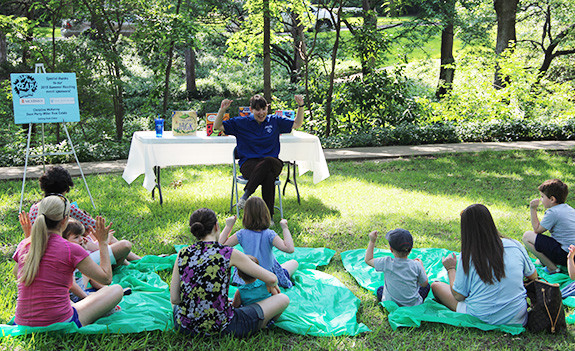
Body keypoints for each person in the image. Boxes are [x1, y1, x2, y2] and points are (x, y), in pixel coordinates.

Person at [170, 208, 289, 337]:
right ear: (216, 226)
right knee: (283, 299)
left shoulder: (182, 253)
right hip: (223, 326)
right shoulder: (227, 253)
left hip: (184, 327)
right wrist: (272, 284)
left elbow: (175, 299)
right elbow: (272, 279)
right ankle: (263, 324)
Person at [13, 195, 123, 327]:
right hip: (61, 320)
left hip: (22, 321)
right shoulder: (70, 248)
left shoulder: (24, 244)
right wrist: (103, 243)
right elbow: (106, 278)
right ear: (64, 220)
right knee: (116, 289)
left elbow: (16, 273)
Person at [432, 204, 538, 326]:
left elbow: (458, 295)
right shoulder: (515, 245)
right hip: (516, 317)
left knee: (436, 286)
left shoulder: (467, 255)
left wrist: (451, 269)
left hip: (479, 316)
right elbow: (533, 275)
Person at [213, 94, 305, 217]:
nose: (261, 112)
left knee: (268, 162)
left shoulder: (275, 121)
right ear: (251, 110)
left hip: (273, 162)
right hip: (249, 165)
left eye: (263, 109)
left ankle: (246, 195)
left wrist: (301, 106)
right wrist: (222, 110)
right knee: (268, 175)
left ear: (267, 108)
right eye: (257, 109)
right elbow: (217, 127)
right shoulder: (241, 122)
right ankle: (269, 217)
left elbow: (297, 124)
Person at [28, 165, 140, 263]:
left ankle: (130, 261)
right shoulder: (66, 208)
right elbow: (95, 226)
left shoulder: (34, 209)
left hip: (43, 257)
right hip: (70, 260)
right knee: (124, 246)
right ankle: (135, 260)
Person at [219, 197, 299, 288]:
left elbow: (219, 246)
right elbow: (290, 249)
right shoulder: (269, 234)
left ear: (246, 215)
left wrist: (228, 226)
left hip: (247, 277)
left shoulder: (242, 234)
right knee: (294, 263)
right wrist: (285, 228)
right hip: (268, 277)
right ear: (266, 214)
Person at [365, 228, 429, 306]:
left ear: (391, 249)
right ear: (410, 249)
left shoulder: (386, 262)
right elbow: (424, 284)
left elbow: (368, 260)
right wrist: (421, 265)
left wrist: (372, 241)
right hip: (413, 305)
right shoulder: (416, 264)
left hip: (390, 303)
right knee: (427, 287)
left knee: (380, 290)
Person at [523, 179, 575, 274]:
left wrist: (533, 209)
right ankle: (547, 262)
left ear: (552, 199)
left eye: (542, 197)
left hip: (565, 255)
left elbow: (537, 229)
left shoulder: (553, 212)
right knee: (541, 257)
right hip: (572, 255)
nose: (541, 200)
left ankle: (552, 268)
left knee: (527, 236)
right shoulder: (570, 209)